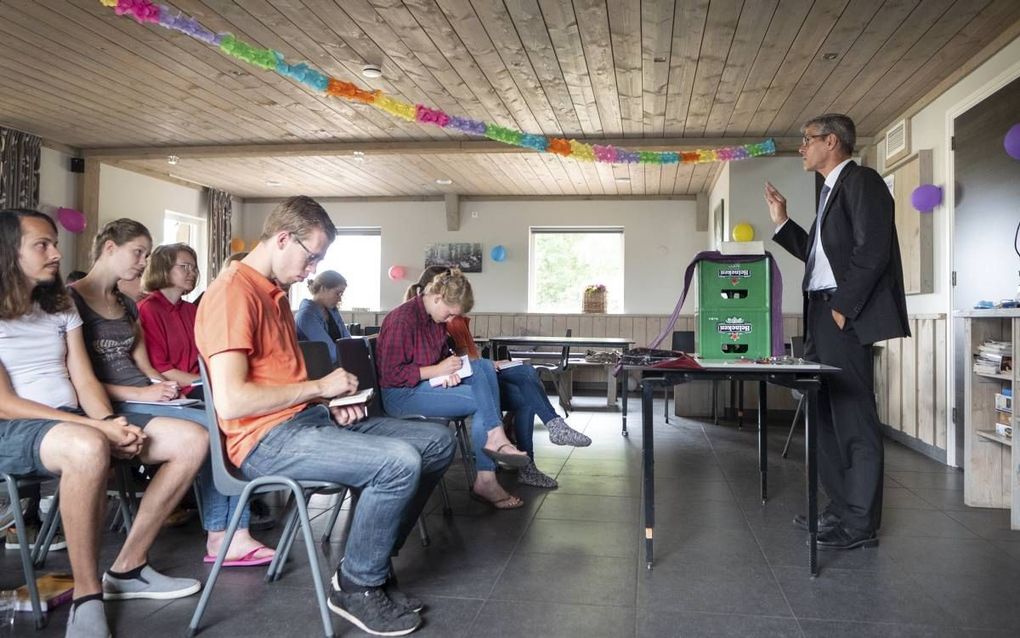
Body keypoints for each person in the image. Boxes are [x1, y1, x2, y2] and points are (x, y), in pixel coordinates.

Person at [195, 195, 455, 636]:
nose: (312, 269)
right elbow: (233, 402)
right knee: (398, 462)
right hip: (263, 442)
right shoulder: (232, 295)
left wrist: (326, 404)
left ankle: (366, 562)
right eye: (311, 256)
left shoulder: (273, 293)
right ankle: (358, 584)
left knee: (437, 441)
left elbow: (276, 384)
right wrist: (320, 388)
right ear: (282, 238)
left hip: (302, 423)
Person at [0, 208, 206, 638]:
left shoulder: (59, 305)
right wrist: (99, 430)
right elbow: (6, 403)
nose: (56, 252)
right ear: (8, 252)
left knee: (191, 440)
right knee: (87, 446)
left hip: (73, 421)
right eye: (43, 244)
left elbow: (84, 378)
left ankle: (128, 567)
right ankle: (87, 595)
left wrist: (112, 422)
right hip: (15, 427)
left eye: (55, 242)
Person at [71, 220, 275, 567]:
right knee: (217, 426)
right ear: (109, 248)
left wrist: (159, 386)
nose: (143, 262)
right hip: (111, 402)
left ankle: (230, 531)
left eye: (147, 254)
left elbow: (144, 362)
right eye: (137, 252)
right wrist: (147, 393)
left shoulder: (126, 303)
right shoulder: (72, 298)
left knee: (227, 420)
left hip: (141, 395)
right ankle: (223, 534)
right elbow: (78, 377)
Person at [764, 113, 909, 550]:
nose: (802, 148)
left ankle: (861, 524)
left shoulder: (863, 181)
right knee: (824, 414)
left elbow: (873, 251)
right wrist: (782, 220)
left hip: (843, 315)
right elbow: (818, 255)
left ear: (832, 141)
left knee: (853, 418)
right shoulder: (829, 192)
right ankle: (841, 508)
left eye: (807, 140)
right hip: (822, 313)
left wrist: (843, 309)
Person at [405, 268, 591, 489]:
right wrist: (477, 365)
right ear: (437, 293)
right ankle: (536, 453)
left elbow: (463, 355)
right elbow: (448, 362)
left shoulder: (451, 318)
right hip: (462, 377)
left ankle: (551, 429)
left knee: (526, 376)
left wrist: (485, 364)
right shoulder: (440, 320)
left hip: (471, 370)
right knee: (524, 386)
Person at [378, 268, 530, 509]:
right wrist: (437, 371)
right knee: (485, 398)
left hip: (426, 385)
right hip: (400, 396)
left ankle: (493, 445)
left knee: (481, 368)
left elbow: (441, 358)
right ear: (436, 297)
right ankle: (489, 466)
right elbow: (391, 376)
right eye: (449, 314)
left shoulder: (435, 318)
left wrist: (450, 371)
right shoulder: (401, 319)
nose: (450, 321)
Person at [295, 269, 351, 365]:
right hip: (319, 372)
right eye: (338, 293)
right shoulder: (306, 316)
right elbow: (330, 352)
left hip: (338, 366)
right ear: (323, 288)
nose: (340, 298)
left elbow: (348, 341)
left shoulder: (333, 311)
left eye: (341, 294)